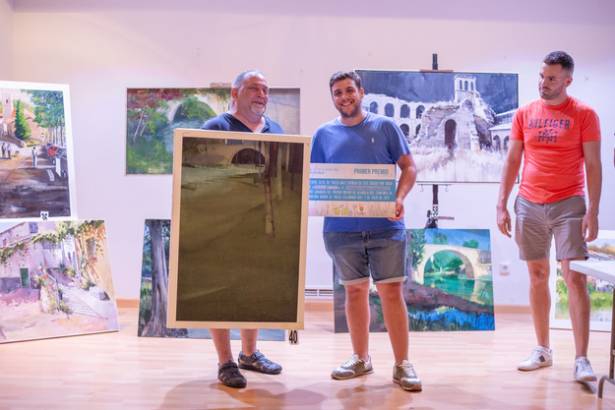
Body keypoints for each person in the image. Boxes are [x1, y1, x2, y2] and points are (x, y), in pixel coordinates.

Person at [496, 51, 602, 383]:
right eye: (542, 76)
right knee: (538, 275)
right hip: (529, 203)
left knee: (574, 278)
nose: (544, 83)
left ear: (567, 80)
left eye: (552, 78)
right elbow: (512, 160)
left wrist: (593, 211)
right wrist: (502, 204)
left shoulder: (584, 114)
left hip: (569, 203)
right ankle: (542, 349)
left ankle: (582, 358)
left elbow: (593, 164)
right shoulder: (525, 113)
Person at [311, 71, 420, 391]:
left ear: (361, 91)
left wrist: (399, 198)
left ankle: (402, 364)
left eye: (349, 90)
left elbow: (409, 167)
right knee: (355, 292)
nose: (344, 97)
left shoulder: (385, 127)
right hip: (340, 230)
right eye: (337, 93)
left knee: (391, 293)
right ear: (332, 98)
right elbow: (315, 178)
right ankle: (361, 358)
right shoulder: (322, 134)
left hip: (385, 227)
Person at [200, 70, 283, 389]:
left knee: (254, 287)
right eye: (254, 89)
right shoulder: (216, 128)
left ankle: (249, 354)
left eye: (265, 90)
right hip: (222, 226)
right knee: (221, 291)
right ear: (235, 94)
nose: (262, 95)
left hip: (261, 224)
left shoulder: (276, 130)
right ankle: (225, 361)